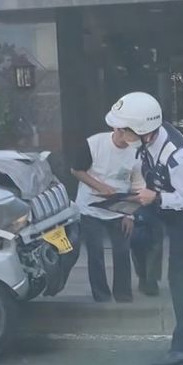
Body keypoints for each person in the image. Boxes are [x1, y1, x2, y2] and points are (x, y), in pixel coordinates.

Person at [108, 91, 183, 365]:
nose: (118, 133)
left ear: (142, 129)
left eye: (123, 129)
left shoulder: (178, 157)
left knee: (181, 280)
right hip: (174, 215)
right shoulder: (150, 141)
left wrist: (156, 198)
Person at [71, 127, 144, 303]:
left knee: (122, 251)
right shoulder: (94, 143)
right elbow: (76, 170)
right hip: (91, 206)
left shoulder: (136, 152)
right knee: (95, 253)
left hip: (119, 208)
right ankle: (101, 295)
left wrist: (130, 215)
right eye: (123, 134)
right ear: (116, 129)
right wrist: (99, 187)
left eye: (130, 136)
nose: (125, 139)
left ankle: (123, 295)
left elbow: (137, 185)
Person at [130, 122, 183, 297]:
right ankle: (143, 276)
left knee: (154, 241)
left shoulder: (164, 146)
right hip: (134, 198)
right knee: (137, 242)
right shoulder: (128, 146)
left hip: (155, 197)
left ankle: (151, 280)